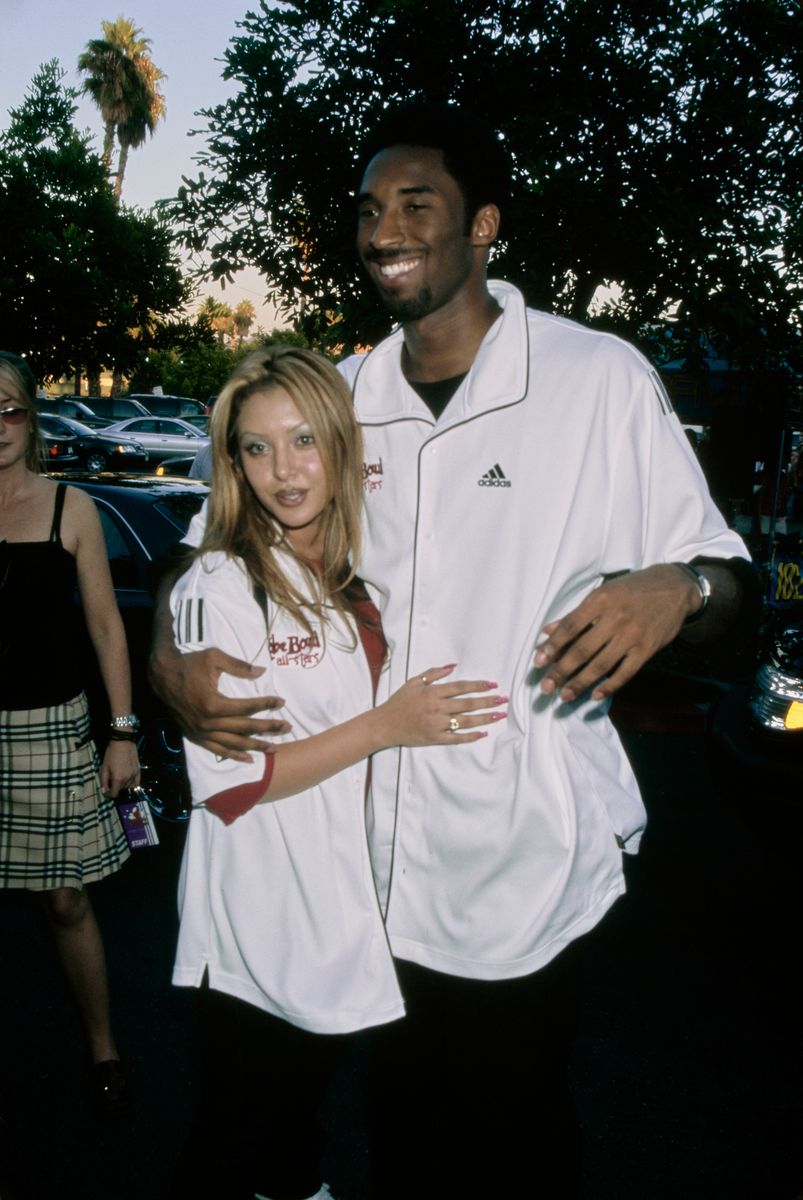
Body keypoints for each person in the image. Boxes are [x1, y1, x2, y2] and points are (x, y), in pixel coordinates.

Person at [151, 105, 755, 1196]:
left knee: (511, 1132)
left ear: (482, 226)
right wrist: (165, 651)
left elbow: (725, 576)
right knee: (400, 1129)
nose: (385, 227)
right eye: (371, 209)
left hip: (518, 854)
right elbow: (208, 540)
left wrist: (679, 586)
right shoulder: (340, 395)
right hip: (359, 854)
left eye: (415, 203)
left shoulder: (594, 378)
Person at [167, 346, 504, 1200]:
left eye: (304, 439)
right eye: (255, 446)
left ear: (342, 446)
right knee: (237, 1135)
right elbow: (234, 781)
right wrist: (386, 728)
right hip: (262, 911)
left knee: (292, 1125)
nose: (282, 471)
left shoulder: (362, 578)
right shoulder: (221, 582)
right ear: (232, 461)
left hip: (345, 897)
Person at [0, 352, 139, 1116]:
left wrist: (122, 731)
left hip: (50, 729)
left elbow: (106, 628)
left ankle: (102, 1043)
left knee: (66, 903)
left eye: (10, 408)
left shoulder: (69, 508)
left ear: (32, 418)